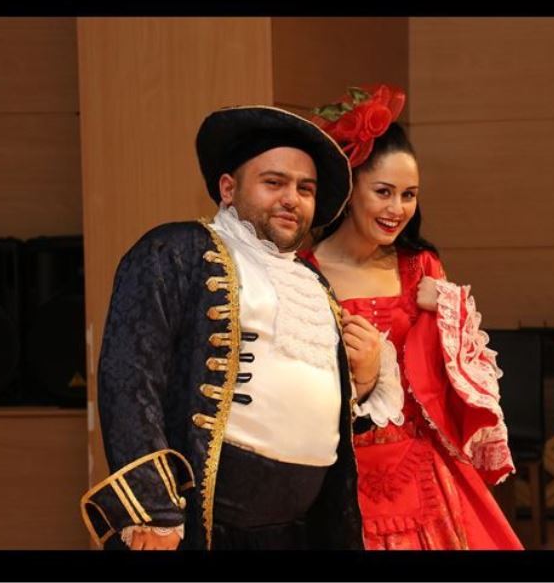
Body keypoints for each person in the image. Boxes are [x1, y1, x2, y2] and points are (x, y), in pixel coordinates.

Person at [79, 105, 392, 550]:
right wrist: (151, 509)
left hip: (301, 530)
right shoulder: (176, 250)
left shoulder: (313, 282)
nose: (292, 198)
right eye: (274, 183)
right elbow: (130, 377)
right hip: (208, 524)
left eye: (305, 188)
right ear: (228, 188)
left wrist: (363, 382)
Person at [300, 84, 523, 550]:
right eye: (383, 192)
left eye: (409, 195)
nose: (397, 209)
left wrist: (449, 310)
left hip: (422, 465)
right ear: (349, 189)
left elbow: (449, 379)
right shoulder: (304, 273)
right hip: (337, 470)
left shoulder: (420, 266)